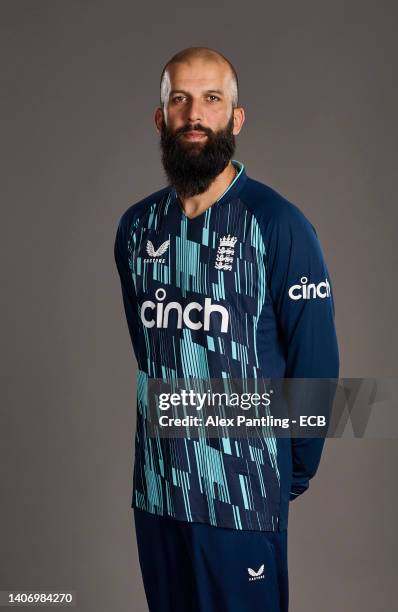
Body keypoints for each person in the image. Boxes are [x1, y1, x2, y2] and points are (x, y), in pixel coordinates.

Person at [114, 46, 339, 612]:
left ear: (235, 119)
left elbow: (316, 364)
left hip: (241, 499)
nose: (195, 114)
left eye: (212, 100)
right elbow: (152, 352)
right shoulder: (136, 227)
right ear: (160, 117)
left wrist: (285, 474)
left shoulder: (278, 224)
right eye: (180, 99)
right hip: (159, 494)